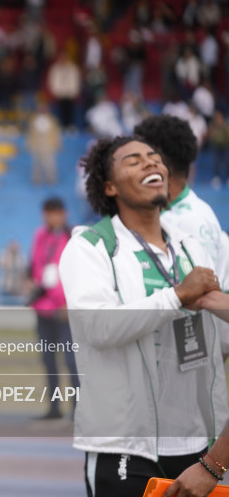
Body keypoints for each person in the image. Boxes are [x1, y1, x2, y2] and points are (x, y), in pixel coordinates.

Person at [58, 136, 226, 497]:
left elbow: (218, 339)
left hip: (198, 445)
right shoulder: (90, 247)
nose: (151, 163)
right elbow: (97, 327)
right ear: (110, 186)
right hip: (125, 447)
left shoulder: (192, 246)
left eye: (154, 157)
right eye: (133, 160)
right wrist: (176, 296)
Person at [134, 115, 229, 285]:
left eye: (141, 158)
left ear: (158, 162)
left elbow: (199, 296)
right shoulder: (158, 213)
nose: (137, 168)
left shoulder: (191, 222)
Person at [28, 197, 77, 420]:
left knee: (71, 361)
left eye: (56, 213)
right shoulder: (40, 235)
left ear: (64, 214)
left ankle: (77, 409)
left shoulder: (72, 236)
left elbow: (76, 272)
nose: (52, 217)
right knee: (48, 360)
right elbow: (35, 266)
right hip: (43, 308)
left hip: (64, 309)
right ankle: (54, 408)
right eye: (48, 213)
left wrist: (68, 301)